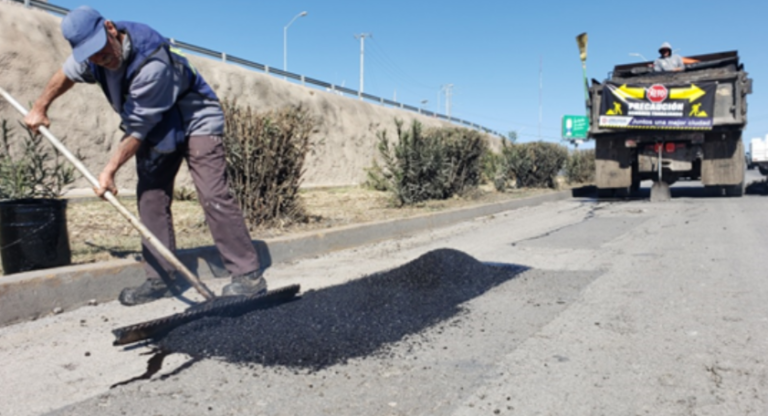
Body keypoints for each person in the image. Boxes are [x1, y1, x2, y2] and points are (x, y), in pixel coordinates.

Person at [23, 6, 267, 305]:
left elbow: (138, 129)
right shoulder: (91, 56)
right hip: (157, 125)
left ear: (110, 28)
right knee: (150, 198)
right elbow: (65, 74)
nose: (100, 59)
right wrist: (40, 107)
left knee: (213, 193)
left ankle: (248, 275)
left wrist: (109, 170)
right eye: (91, 56)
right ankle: (160, 278)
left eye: (101, 50)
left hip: (196, 120)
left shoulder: (151, 61)